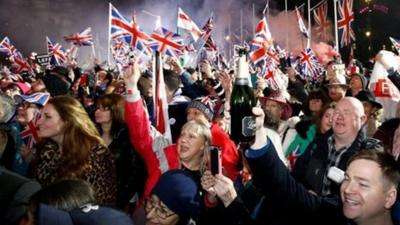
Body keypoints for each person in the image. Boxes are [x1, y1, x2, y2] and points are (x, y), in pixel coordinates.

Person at [241, 105, 399, 225]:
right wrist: (259, 139)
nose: (348, 190)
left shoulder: (371, 152)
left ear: (390, 197)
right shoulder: (316, 144)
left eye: (363, 184)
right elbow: (289, 186)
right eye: (346, 178)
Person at [123, 60, 211, 199]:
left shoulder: (211, 172)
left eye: (192, 136)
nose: (183, 140)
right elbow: (140, 131)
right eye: (182, 134)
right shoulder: (163, 153)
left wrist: (211, 199)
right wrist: (131, 87)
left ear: (204, 145)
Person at [32, 96, 117, 205]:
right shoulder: (46, 148)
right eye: (40, 116)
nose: (38, 122)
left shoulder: (96, 154)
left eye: (47, 117)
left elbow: (100, 202)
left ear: (67, 121)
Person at [292, 97, 382, 196]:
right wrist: (306, 193)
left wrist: (322, 204)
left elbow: (368, 197)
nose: (340, 117)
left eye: (347, 112)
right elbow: (296, 176)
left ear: (362, 119)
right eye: (337, 112)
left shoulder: (369, 153)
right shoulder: (317, 143)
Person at [94, 93, 147, 210]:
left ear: (115, 111)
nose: (98, 111)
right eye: (98, 108)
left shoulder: (127, 137)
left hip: (118, 199)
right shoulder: (91, 134)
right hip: (91, 196)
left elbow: (133, 173)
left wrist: (119, 200)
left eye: (104, 109)